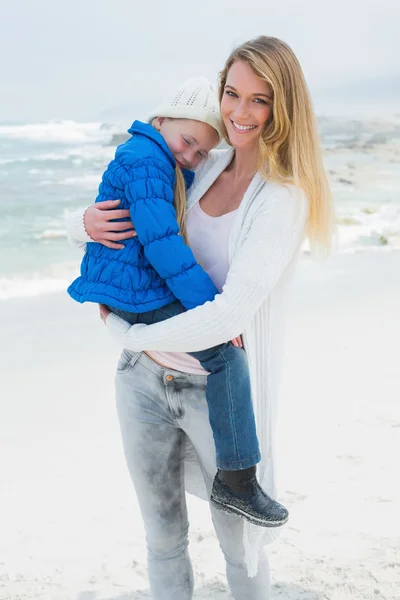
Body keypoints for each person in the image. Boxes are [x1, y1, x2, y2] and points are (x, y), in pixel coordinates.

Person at [67, 36, 333, 600]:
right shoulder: (202, 165)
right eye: (232, 93)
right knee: (162, 538)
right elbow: (132, 211)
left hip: (217, 388)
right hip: (141, 382)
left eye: (259, 100)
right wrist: (83, 223)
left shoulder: (282, 198)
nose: (240, 112)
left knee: (241, 545)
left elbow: (230, 313)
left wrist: (130, 332)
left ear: (282, 108)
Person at [67, 76, 288, 528]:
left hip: (131, 289)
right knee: (226, 357)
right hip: (135, 294)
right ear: (160, 120)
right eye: (186, 142)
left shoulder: (162, 158)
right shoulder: (149, 161)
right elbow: (164, 245)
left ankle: (238, 481)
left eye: (199, 152)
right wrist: (213, 311)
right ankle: (240, 481)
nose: (189, 157)